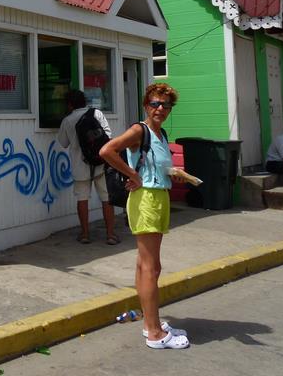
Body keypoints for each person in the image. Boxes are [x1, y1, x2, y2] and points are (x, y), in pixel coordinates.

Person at [100, 82, 190, 350]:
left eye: (166, 105)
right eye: (155, 103)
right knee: (152, 267)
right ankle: (155, 333)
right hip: (147, 199)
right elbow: (107, 150)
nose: (160, 108)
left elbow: (155, 165)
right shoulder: (139, 130)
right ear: (145, 105)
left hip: (157, 196)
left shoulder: (160, 134)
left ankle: (150, 323)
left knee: (146, 265)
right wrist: (133, 175)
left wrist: (174, 174)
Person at [57, 89, 118, 245]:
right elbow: (108, 136)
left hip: (80, 166)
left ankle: (85, 234)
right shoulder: (96, 113)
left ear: (70, 104)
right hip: (100, 163)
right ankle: (110, 235)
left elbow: (63, 143)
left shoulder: (67, 120)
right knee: (106, 199)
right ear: (84, 101)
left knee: (82, 199)